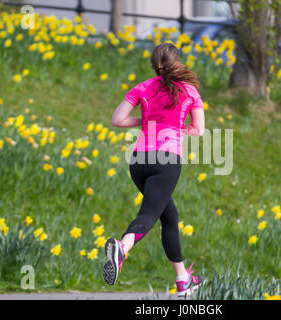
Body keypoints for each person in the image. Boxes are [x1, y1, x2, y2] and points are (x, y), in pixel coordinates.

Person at [103, 43, 205, 297]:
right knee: (149, 214)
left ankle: (183, 280)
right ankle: (122, 248)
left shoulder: (142, 87)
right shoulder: (189, 91)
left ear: (153, 64)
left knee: (169, 215)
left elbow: (117, 120)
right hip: (166, 161)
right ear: (176, 61)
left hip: (138, 161)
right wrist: (177, 126)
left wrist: (145, 120)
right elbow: (198, 129)